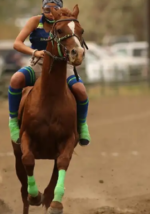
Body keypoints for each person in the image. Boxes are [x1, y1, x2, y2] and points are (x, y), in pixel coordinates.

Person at [8, 0, 91, 146]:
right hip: (38, 65)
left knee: (80, 90)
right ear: (42, 8)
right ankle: (13, 122)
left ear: (60, 9)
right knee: (15, 79)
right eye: (47, 9)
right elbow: (17, 43)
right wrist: (34, 52)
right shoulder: (35, 21)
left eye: (54, 9)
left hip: (63, 68)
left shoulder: (63, 22)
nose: (50, 12)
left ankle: (82, 125)